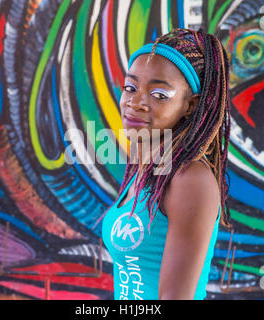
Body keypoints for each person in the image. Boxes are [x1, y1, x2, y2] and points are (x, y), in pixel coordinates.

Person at [98, 28, 231, 300]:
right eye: (130, 88)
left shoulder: (189, 178)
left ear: (190, 105)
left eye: (159, 94)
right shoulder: (146, 173)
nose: (136, 102)